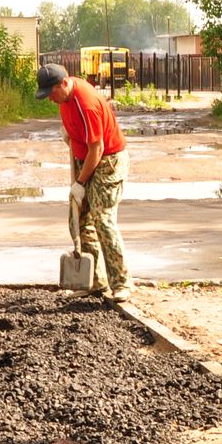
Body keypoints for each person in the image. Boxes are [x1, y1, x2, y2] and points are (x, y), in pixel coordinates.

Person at [38, 61, 131, 298]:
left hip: (107, 162)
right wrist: (69, 134)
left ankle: (121, 283)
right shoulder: (65, 97)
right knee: (78, 221)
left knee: (102, 219)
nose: (50, 99)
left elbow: (97, 149)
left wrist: (80, 184)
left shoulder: (86, 104)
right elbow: (79, 134)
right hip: (86, 159)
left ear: (65, 83)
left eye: (51, 93)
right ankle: (96, 283)